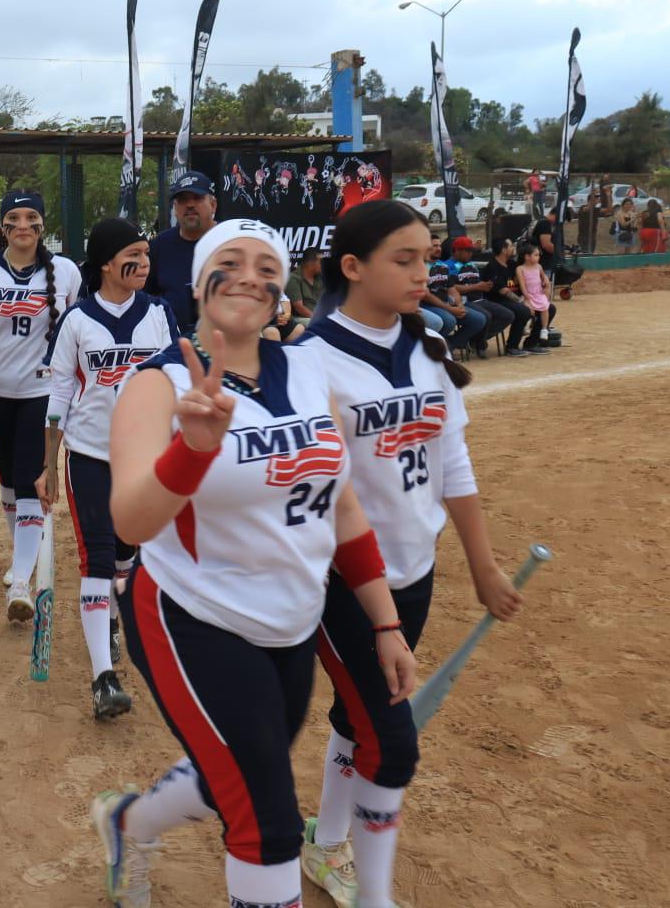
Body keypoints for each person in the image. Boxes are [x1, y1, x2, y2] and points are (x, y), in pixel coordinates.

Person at [90, 217, 417, 908]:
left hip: (291, 619)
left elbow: (345, 506)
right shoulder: (157, 384)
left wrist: (385, 623)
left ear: (283, 290)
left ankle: (129, 822)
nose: (250, 276)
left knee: (236, 771)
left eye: (267, 267)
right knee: (267, 821)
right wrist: (194, 448)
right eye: (230, 261)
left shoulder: (304, 367)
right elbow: (130, 521)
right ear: (197, 282)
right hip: (193, 613)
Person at [299, 200, 522, 908]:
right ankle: (376, 896)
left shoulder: (427, 340)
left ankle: (325, 840)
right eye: (406, 259)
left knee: (355, 716)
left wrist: (483, 564)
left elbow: (451, 459)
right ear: (353, 267)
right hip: (342, 580)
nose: (424, 273)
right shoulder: (308, 360)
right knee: (392, 745)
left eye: (427, 257)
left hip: (414, 571)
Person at [37, 217, 177, 720]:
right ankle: (103, 679)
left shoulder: (160, 314)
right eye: (132, 254)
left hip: (145, 457)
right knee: (97, 558)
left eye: (145, 253)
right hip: (91, 454)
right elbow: (59, 393)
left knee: (127, 557)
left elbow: (175, 382)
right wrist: (48, 462)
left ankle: (112, 620)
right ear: (105, 264)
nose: (143, 261)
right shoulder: (77, 321)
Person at [0, 190, 83, 621]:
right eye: (15, 217)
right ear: (3, 225)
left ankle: (24, 583)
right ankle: (21, 557)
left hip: (42, 395)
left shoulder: (65, 271)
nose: (24, 225)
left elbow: (76, 337)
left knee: (31, 481)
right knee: (9, 481)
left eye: (32, 216)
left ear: (43, 224)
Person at [145, 170, 218, 335]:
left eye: (197, 198)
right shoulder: (159, 245)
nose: (190, 205)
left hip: (225, 345)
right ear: (174, 207)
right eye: (183, 200)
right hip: (170, 346)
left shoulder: (231, 239)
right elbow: (143, 296)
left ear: (213, 204)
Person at [447, 235, 512, 359]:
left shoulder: (472, 264)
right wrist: (476, 287)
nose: (471, 254)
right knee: (485, 315)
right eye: (468, 251)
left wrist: (487, 285)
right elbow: (452, 287)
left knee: (508, 315)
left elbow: (479, 283)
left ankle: (474, 339)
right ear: (457, 250)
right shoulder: (449, 266)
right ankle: (474, 344)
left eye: (472, 251)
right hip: (465, 301)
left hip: (480, 299)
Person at [423, 235, 485, 354]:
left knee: (479, 319)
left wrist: (459, 305)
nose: (439, 248)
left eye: (440, 245)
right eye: (435, 246)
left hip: (446, 304)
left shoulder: (443, 266)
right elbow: (425, 295)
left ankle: (448, 345)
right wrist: (449, 309)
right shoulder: (422, 267)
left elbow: (451, 288)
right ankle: (434, 350)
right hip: (428, 305)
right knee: (449, 321)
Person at [479, 239, 539, 356]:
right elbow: (504, 291)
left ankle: (531, 343)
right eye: (511, 246)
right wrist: (523, 302)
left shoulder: (512, 264)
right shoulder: (492, 267)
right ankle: (512, 346)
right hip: (498, 300)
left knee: (548, 308)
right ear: (503, 249)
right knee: (523, 311)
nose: (513, 248)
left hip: (514, 300)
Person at [516, 242, 554, 346]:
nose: (538, 257)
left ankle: (544, 329)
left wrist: (546, 279)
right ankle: (527, 326)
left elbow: (543, 276)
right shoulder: (520, 269)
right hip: (529, 294)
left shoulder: (538, 266)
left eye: (538, 255)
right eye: (536, 255)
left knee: (545, 308)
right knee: (529, 311)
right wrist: (526, 296)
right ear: (527, 257)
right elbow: (522, 284)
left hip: (539, 293)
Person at [286, 248, 323, 330]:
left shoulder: (320, 277)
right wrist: (319, 319)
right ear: (310, 263)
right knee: (318, 325)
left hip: (320, 316)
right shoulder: (294, 278)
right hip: (301, 318)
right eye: (320, 262)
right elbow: (299, 307)